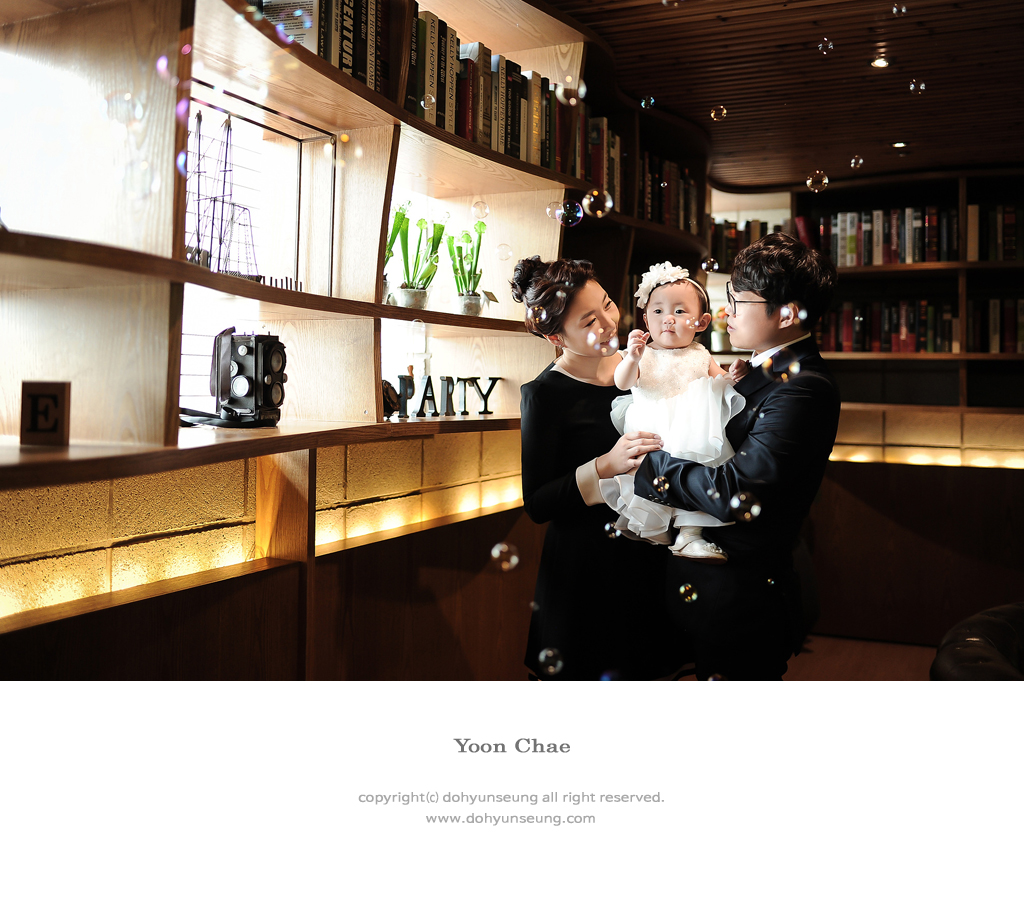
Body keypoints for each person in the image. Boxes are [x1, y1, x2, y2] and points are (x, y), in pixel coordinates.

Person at [584, 233, 840, 680]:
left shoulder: (803, 388)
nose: (726, 313)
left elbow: (737, 489)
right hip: (707, 591)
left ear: (787, 313)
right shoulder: (758, 369)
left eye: (738, 302)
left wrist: (645, 462)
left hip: (742, 598)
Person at [514, 256, 690, 680]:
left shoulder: (646, 364)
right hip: (586, 572)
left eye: (608, 304)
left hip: (650, 556)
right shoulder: (544, 395)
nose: (610, 323)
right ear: (556, 336)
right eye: (590, 321)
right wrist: (604, 466)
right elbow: (537, 503)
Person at [599, 262, 746, 560]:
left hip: (694, 428)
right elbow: (622, 382)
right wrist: (632, 358)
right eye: (658, 311)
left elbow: (721, 381)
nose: (668, 318)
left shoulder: (700, 354)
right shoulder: (644, 354)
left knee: (700, 472)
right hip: (655, 429)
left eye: (679, 311)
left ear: (701, 322)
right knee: (657, 480)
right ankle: (662, 530)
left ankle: (690, 535)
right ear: (646, 320)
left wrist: (734, 375)